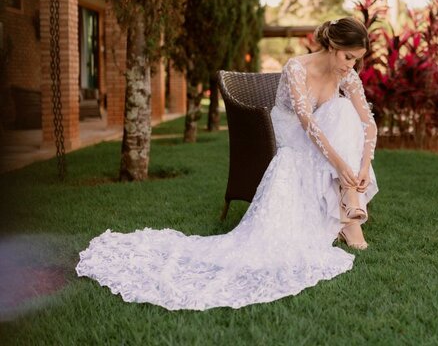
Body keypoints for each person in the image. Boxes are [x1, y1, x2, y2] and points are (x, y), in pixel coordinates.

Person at [75, 17, 379, 311]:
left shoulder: (347, 76)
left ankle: (348, 203)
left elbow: (368, 122)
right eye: (347, 57)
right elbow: (305, 121)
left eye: (355, 61)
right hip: (288, 134)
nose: (350, 66)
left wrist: (363, 165)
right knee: (337, 115)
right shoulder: (297, 67)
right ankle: (349, 215)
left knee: (343, 110)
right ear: (333, 44)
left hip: (325, 134)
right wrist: (341, 165)